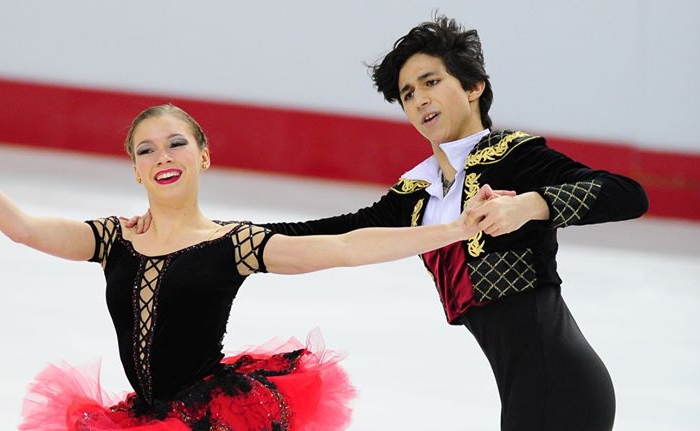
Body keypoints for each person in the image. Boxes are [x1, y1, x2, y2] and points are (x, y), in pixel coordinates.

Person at [125, 15, 649, 431]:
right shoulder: (417, 196)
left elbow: (629, 195)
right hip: (523, 388)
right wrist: (220, 236)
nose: (419, 99)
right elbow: (338, 231)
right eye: (407, 93)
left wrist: (528, 205)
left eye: (431, 82)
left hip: (562, 384)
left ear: (473, 88)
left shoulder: (516, 157)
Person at [0, 85, 503, 431]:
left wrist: (450, 230)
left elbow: (347, 248)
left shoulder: (235, 244)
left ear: (203, 156)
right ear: (136, 168)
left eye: (177, 143)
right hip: (137, 418)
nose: (162, 156)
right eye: (146, 149)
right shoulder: (112, 238)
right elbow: (22, 229)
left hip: (212, 419)